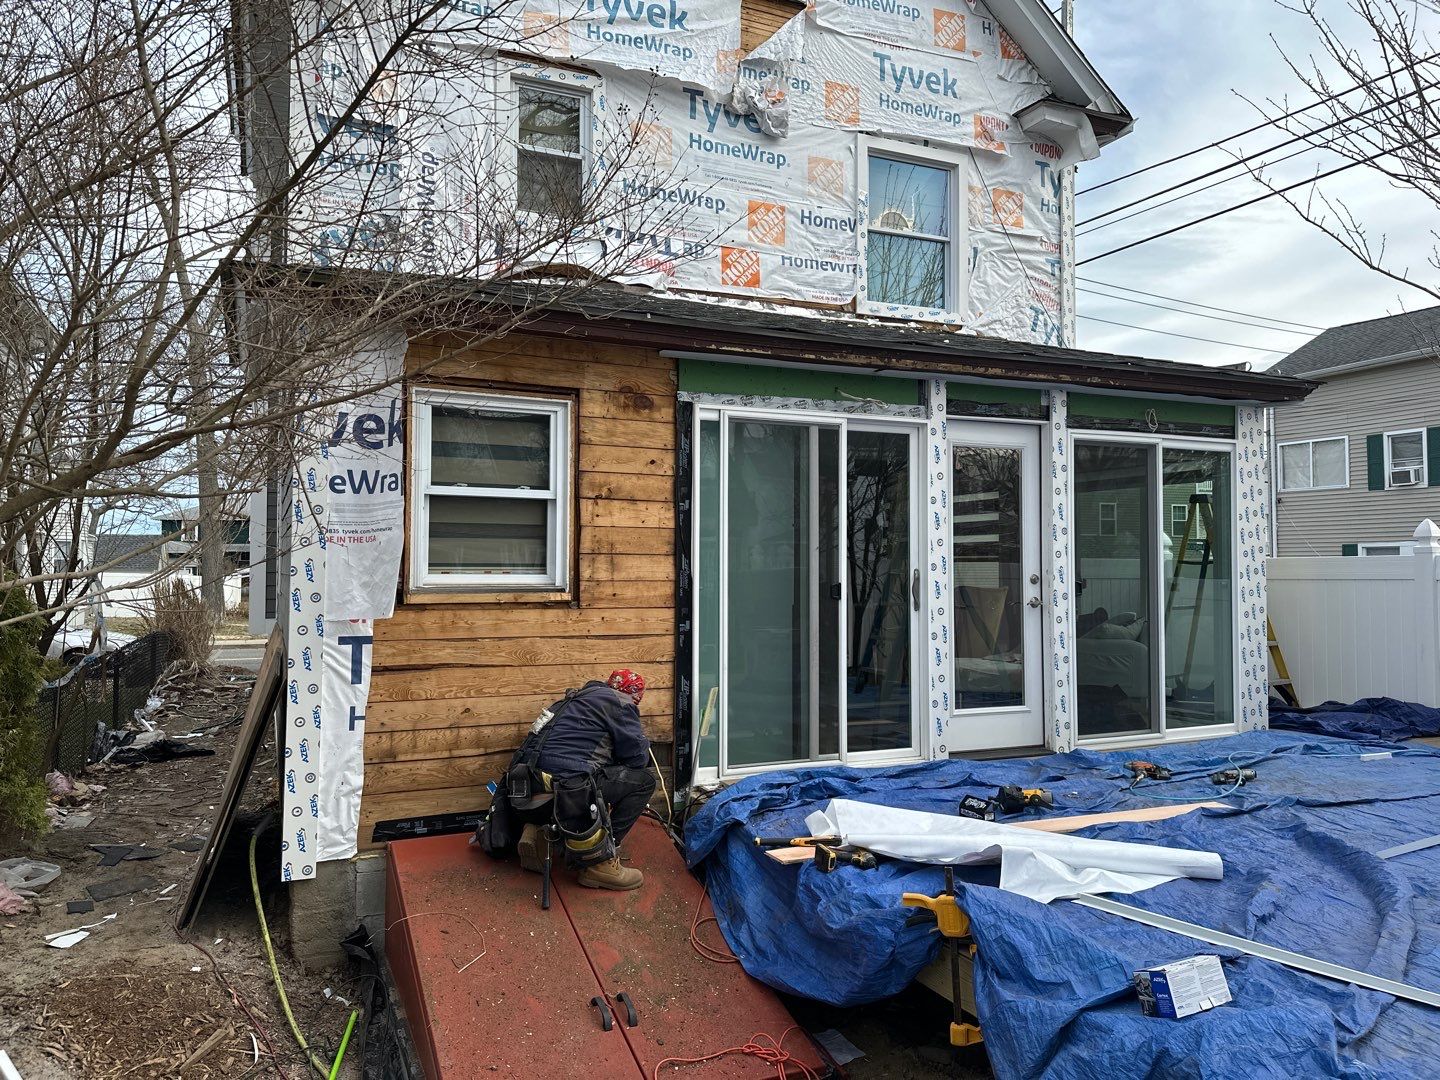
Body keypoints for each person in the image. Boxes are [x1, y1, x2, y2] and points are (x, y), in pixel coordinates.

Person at [507, 669, 657, 891]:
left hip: (524, 794)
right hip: (566, 792)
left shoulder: (573, 699)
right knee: (644, 781)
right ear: (634, 695)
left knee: (575, 774)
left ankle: (537, 831)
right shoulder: (620, 703)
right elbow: (636, 758)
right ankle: (600, 861)